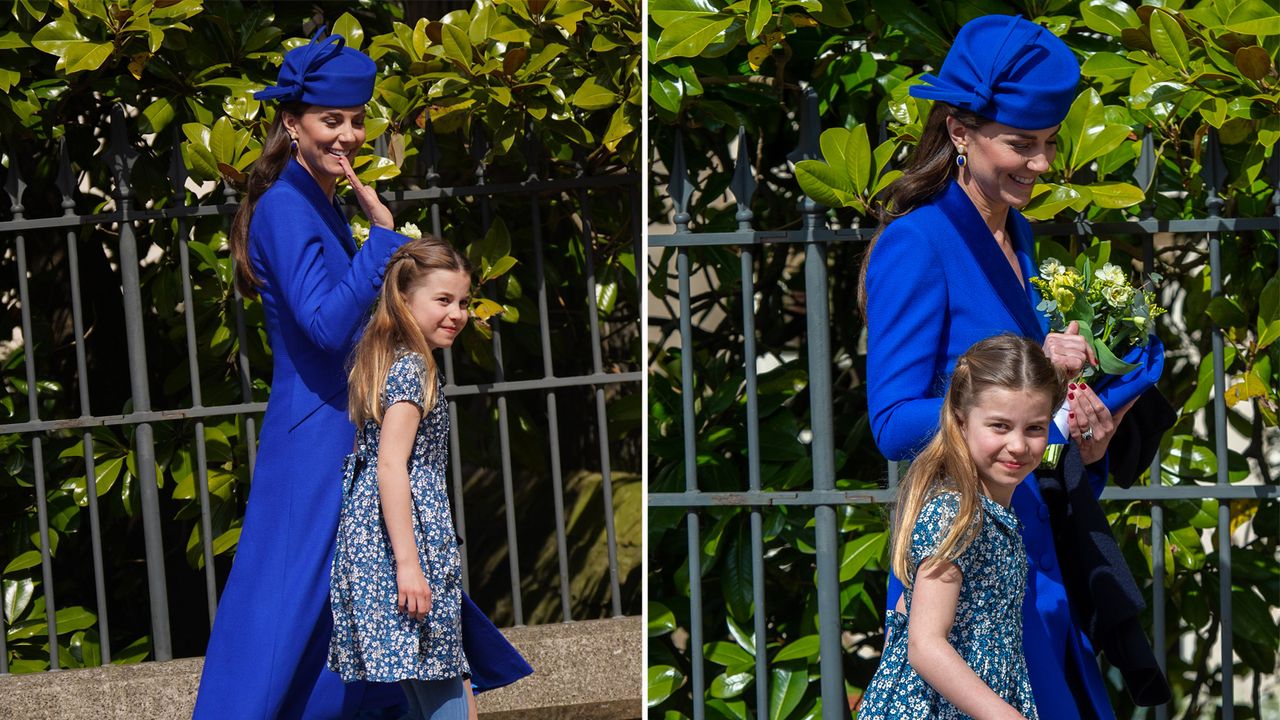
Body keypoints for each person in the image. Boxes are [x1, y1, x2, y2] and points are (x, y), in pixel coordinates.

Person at [194, 29, 528, 718]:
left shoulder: (315, 197)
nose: (347, 134)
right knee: (284, 617)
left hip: (333, 429)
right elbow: (323, 327)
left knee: (337, 610)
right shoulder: (289, 204)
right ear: (293, 123)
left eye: (354, 119)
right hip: (314, 438)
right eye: (330, 120)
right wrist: (383, 241)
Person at [862, 14, 1165, 720]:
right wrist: (1042, 417)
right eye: (1020, 144)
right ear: (961, 133)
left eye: (1050, 143)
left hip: (1035, 544)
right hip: (964, 560)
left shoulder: (1019, 233)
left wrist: (1085, 436)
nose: (1041, 163)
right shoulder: (917, 242)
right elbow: (891, 422)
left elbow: (1026, 406)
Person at [860, 335, 1065, 720]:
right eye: (1000, 426)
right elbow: (923, 644)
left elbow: (905, 614)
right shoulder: (956, 512)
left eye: (1035, 428)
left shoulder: (989, 513)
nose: (1019, 445)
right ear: (960, 422)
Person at [328, 236, 475, 719]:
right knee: (445, 698)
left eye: (463, 302)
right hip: (402, 548)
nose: (457, 313)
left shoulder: (386, 357)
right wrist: (408, 565)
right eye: (443, 300)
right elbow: (391, 466)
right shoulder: (414, 368)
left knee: (434, 692)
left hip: (378, 544)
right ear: (406, 299)